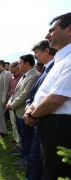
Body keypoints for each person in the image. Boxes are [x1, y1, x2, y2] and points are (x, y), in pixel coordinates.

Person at [24, 13, 71, 179]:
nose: (47, 36)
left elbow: (56, 99)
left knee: (55, 173)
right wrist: (31, 107)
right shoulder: (60, 60)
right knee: (46, 169)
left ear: (69, 30)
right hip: (46, 123)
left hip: (60, 127)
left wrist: (32, 114)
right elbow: (43, 93)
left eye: (52, 30)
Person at [24, 40, 56, 180]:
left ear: (46, 51)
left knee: (39, 159)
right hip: (37, 117)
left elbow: (51, 97)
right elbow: (36, 94)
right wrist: (28, 106)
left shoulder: (55, 67)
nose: (35, 55)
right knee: (35, 157)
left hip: (46, 120)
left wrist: (32, 114)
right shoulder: (46, 68)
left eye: (37, 52)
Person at [6, 54, 40, 166]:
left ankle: (27, 159)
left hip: (23, 112)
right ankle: (24, 153)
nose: (18, 65)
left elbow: (25, 95)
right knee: (23, 136)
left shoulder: (34, 76)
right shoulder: (24, 75)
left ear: (27, 63)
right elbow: (15, 92)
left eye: (20, 63)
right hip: (18, 111)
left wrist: (11, 106)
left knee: (27, 137)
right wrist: (10, 101)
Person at [0, 60, 12, 138]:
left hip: (1, 99)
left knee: (0, 115)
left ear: (0, 65)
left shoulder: (7, 73)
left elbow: (6, 88)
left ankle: (3, 132)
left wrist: (4, 100)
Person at [8, 61, 23, 153]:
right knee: (13, 123)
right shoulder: (13, 77)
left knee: (17, 125)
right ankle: (15, 139)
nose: (9, 69)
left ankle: (19, 144)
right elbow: (12, 90)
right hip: (11, 102)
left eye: (10, 67)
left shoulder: (21, 77)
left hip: (18, 104)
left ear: (16, 67)